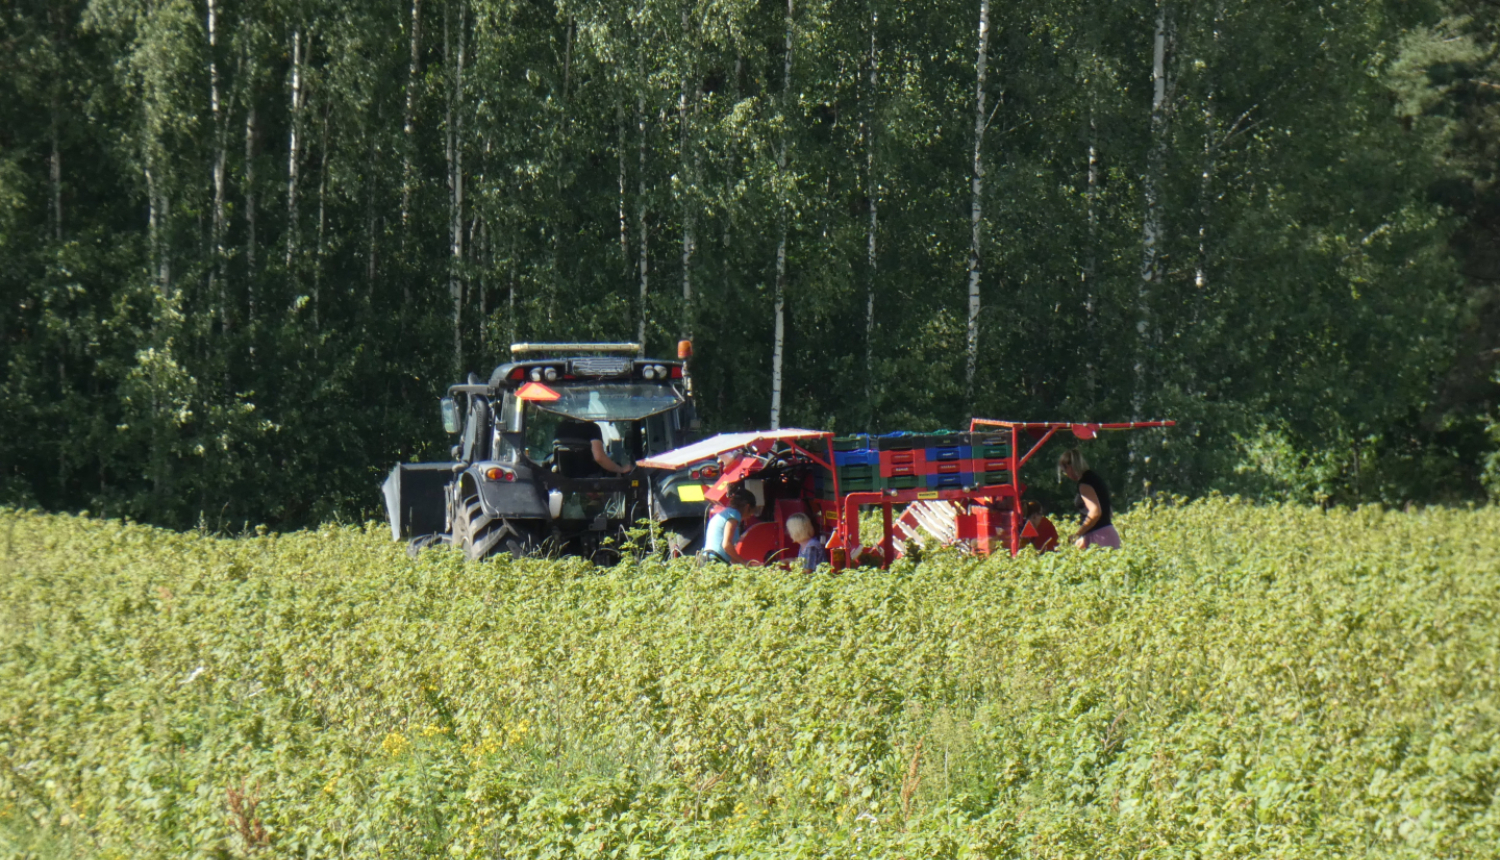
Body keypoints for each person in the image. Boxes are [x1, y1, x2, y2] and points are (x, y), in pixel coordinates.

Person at [1058, 447, 1120, 549]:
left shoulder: (1085, 483)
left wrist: (1078, 534)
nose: (1067, 475)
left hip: (1099, 537)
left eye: (1065, 471)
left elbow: (1095, 512)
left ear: (1069, 466)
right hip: (1107, 533)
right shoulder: (1094, 478)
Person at [698, 487, 757, 566]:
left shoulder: (726, 513)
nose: (750, 516)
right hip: (715, 560)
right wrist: (744, 562)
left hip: (707, 558)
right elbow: (726, 545)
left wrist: (743, 564)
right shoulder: (734, 515)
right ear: (747, 507)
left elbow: (728, 554)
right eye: (751, 512)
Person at [554, 419, 633, 477]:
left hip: (563, 483)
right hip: (591, 482)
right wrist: (620, 469)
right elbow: (599, 457)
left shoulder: (560, 427)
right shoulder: (592, 428)